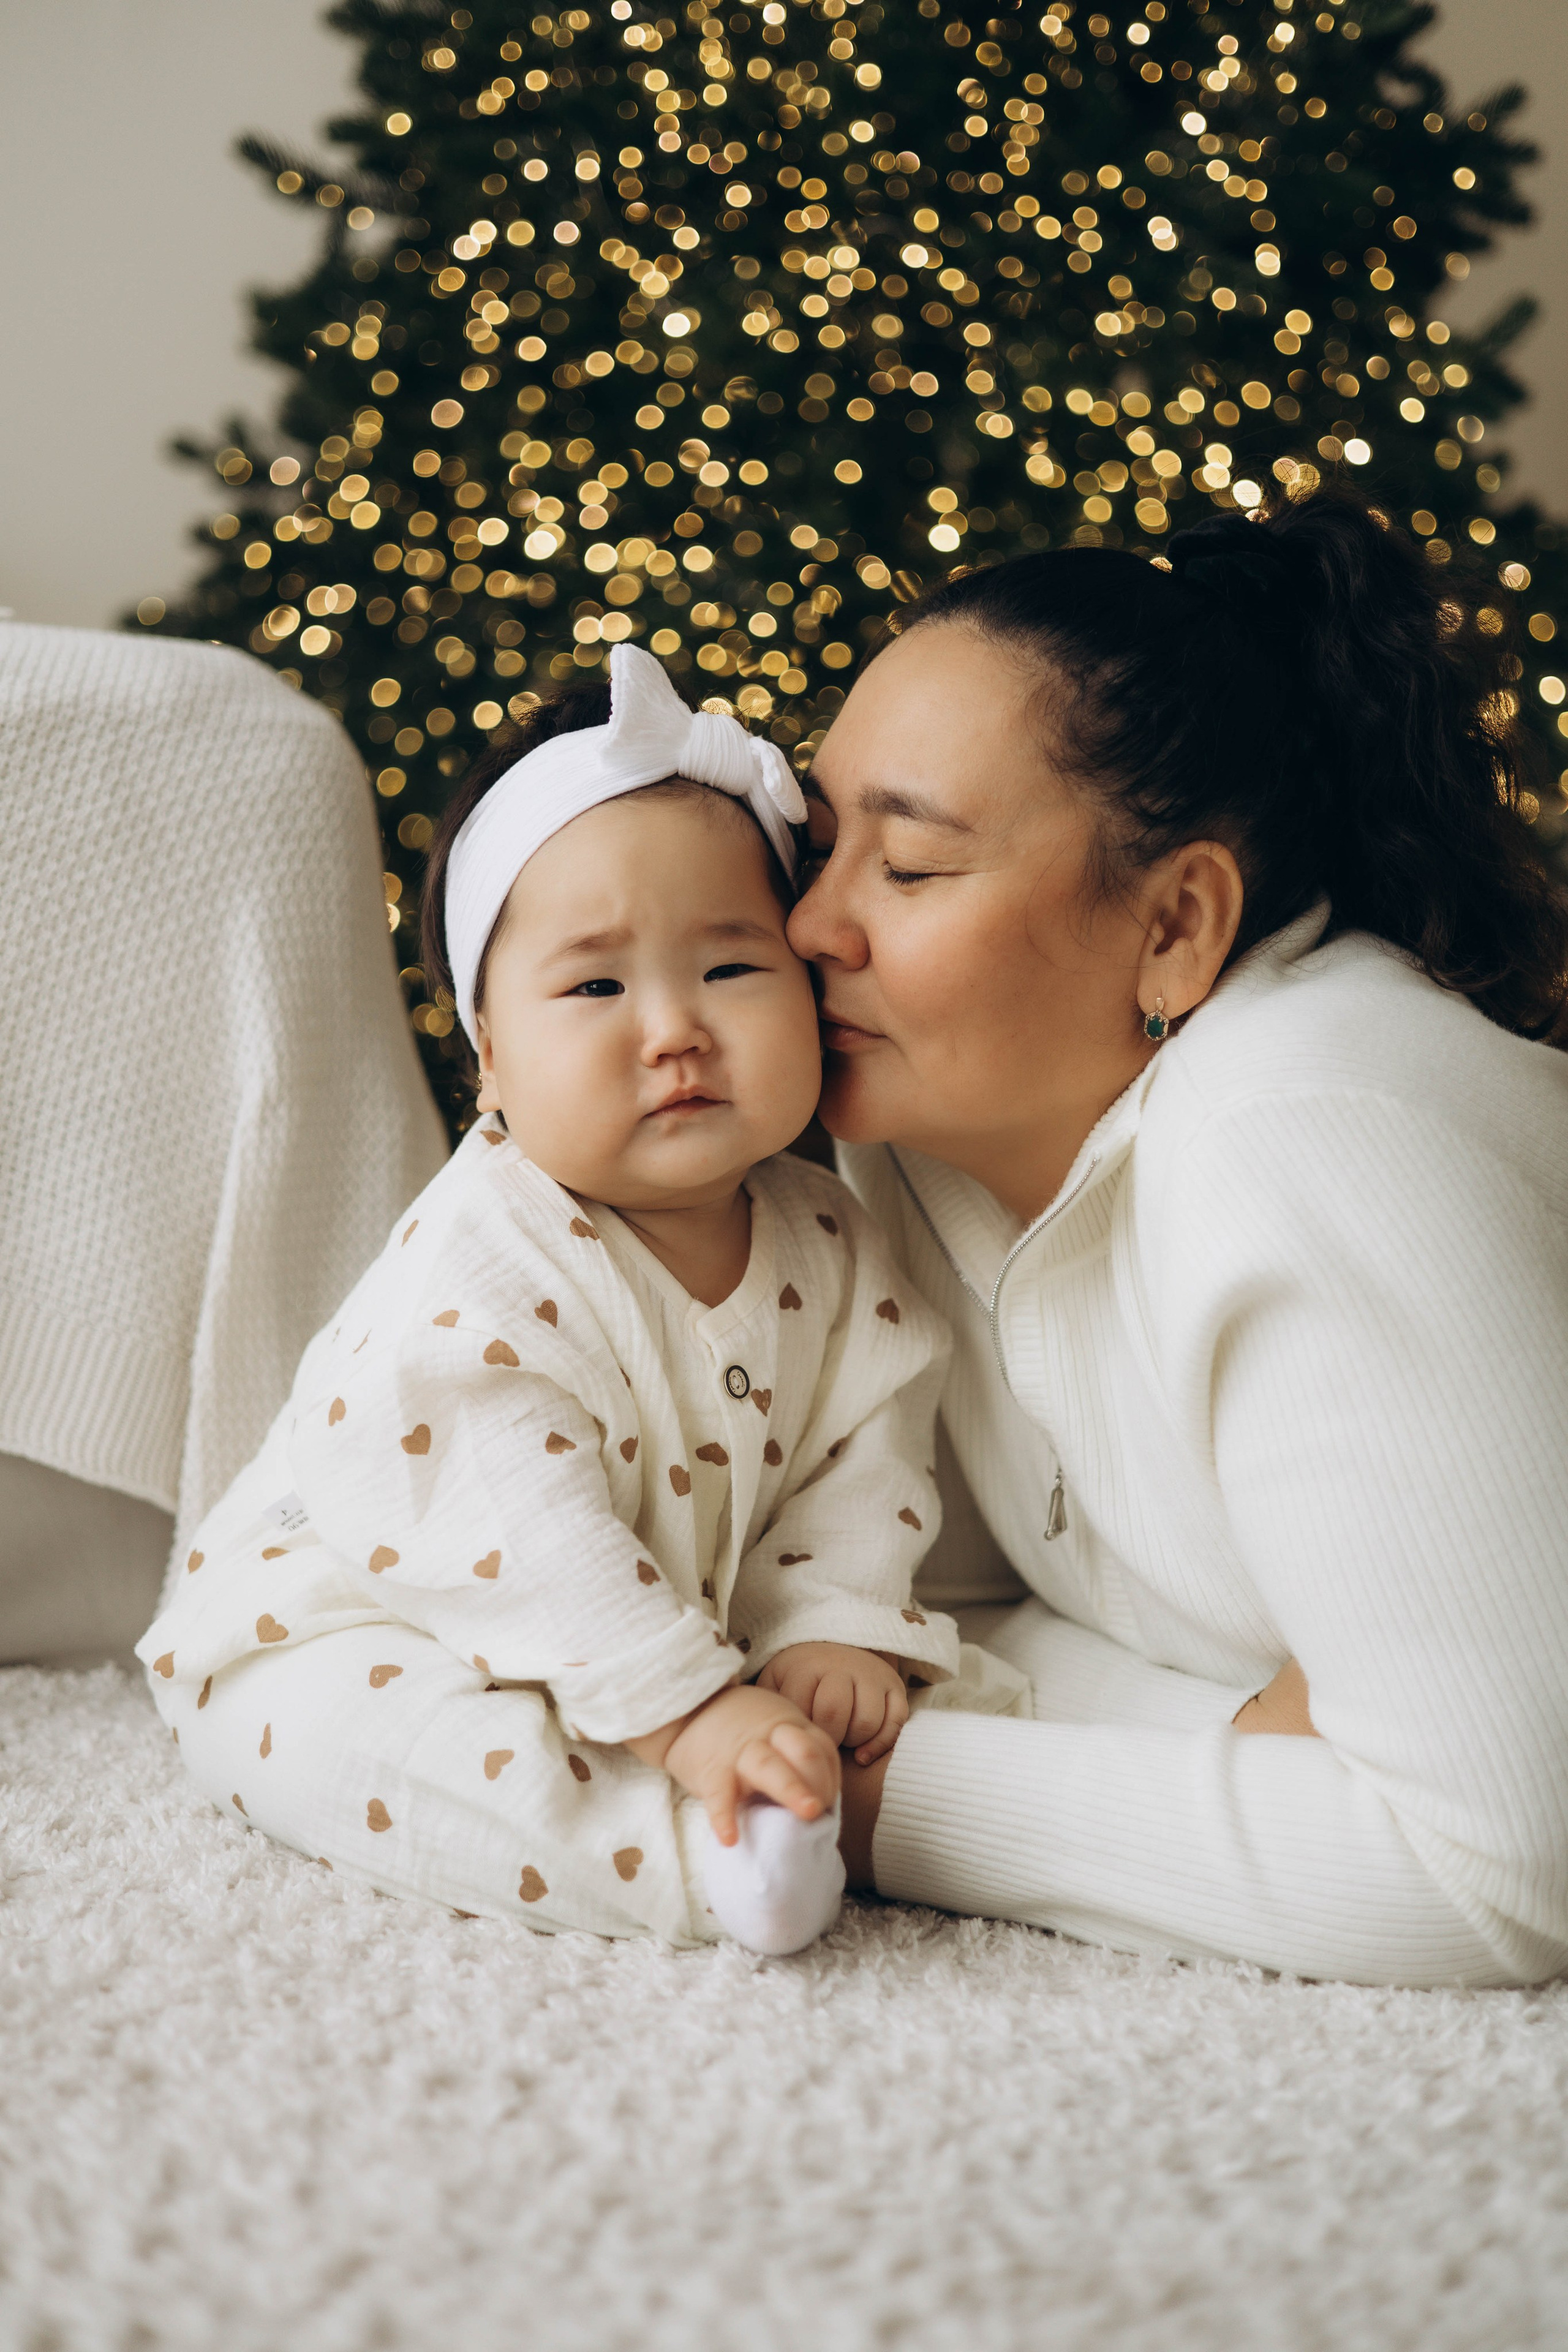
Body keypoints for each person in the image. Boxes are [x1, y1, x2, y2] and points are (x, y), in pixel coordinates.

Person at [791, 487, 1568, 1988]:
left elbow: (1502, 1863)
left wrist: (882, 1804)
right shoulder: (901, 1135)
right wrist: (1241, 1728)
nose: (813, 926)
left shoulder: (1303, 1129)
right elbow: (936, 1618)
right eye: (817, 846)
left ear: (1172, 927)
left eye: (908, 867)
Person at [135, 646, 1017, 1954]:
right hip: (354, 1615)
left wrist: (832, 1626)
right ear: (491, 1055)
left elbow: (860, 1457)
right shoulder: (483, 1258)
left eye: (730, 970)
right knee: (376, 1746)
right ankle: (697, 1855)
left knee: (936, 1678)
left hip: (646, 1625)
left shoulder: (830, 1234)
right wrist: (690, 1713)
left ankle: (760, 1759)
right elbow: (513, 1518)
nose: (672, 1029)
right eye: (595, 987)